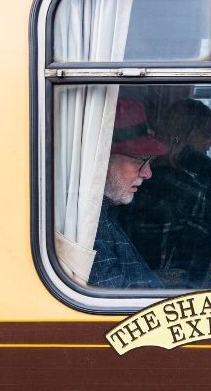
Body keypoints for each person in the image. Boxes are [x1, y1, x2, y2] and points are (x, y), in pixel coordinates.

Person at [121, 98, 211, 288]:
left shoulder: (191, 175)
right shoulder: (176, 184)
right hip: (187, 287)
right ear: (184, 137)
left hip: (201, 280)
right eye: (207, 135)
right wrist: (193, 155)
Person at [87, 97, 168, 288]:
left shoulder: (105, 212)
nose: (148, 173)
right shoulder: (89, 225)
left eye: (149, 163)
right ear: (102, 161)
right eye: (138, 161)